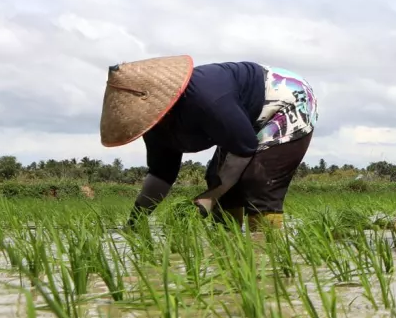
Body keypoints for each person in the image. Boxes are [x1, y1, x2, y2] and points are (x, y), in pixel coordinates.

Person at [99, 56, 318, 230]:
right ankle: (229, 256)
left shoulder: (206, 98)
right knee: (217, 180)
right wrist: (135, 222)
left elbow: (243, 148)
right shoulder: (154, 124)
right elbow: (161, 175)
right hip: (243, 120)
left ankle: (266, 258)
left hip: (287, 100)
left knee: (258, 180)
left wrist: (211, 197)